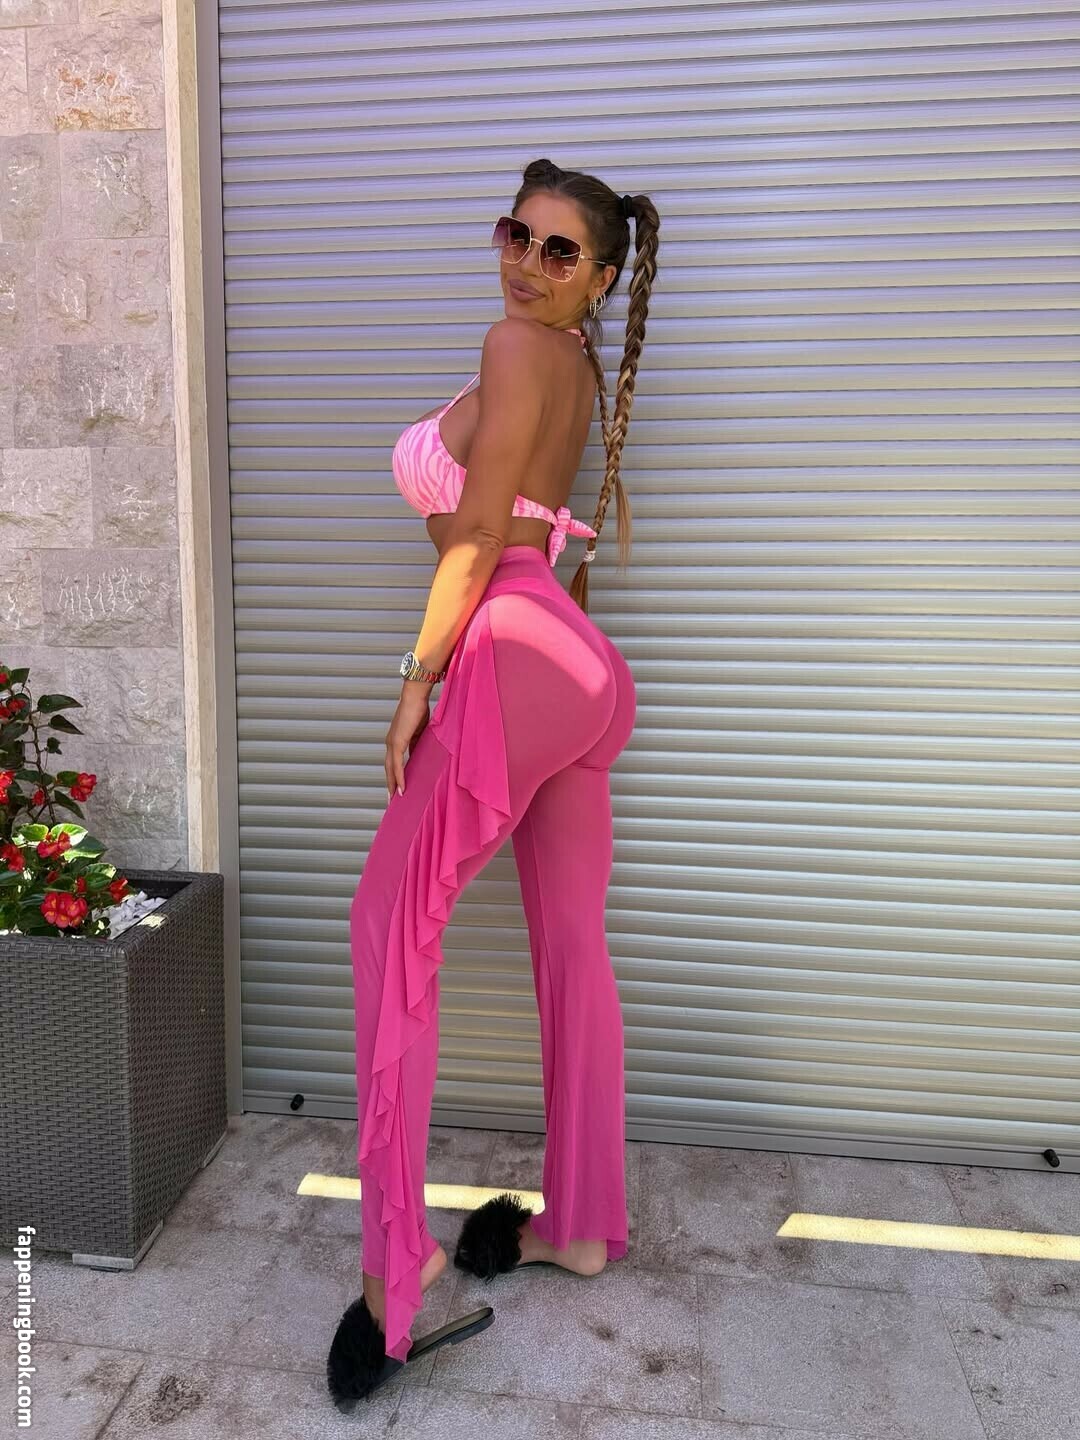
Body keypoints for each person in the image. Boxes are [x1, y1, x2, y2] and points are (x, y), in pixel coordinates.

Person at [327, 157, 660, 1412]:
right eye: (516, 234)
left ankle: (397, 1268)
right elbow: (511, 525)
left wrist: (416, 680)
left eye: (560, 250)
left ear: (602, 278)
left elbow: (477, 536)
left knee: (387, 929)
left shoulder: (520, 349)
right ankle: (577, 1228)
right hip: (575, 666)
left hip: (514, 650)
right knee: (572, 945)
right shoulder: (560, 361)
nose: (527, 262)